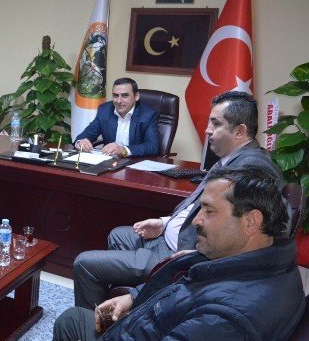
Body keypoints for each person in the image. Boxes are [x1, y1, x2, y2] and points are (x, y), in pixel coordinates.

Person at [0, 167, 305, 341]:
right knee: (71, 320)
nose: (196, 220)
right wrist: (132, 298)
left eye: (209, 211)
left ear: (250, 221)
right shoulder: (255, 260)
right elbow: (180, 289)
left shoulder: (230, 316)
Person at [73, 91, 283, 310]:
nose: (207, 130)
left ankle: (92, 324)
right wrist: (164, 223)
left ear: (239, 131)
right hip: (171, 237)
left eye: (215, 123)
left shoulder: (254, 167)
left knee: (84, 263)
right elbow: (197, 206)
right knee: (118, 235)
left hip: (181, 252)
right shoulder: (230, 159)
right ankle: (126, 309)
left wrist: (200, 255)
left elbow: (249, 234)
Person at [73, 78, 160, 158]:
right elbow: (86, 134)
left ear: (136, 96)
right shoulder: (105, 110)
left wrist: (123, 150)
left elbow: (152, 146)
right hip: (108, 162)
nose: (119, 101)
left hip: (134, 162)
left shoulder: (148, 115)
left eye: (125, 96)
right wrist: (81, 142)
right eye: (115, 95)